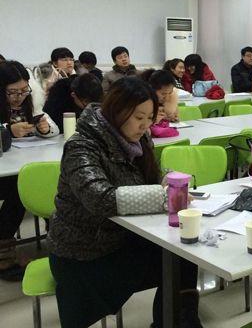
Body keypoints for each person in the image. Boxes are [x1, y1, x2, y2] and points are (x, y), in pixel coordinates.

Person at [47, 77, 204, 328]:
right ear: (116, 111)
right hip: (83, 255)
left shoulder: (138, 139)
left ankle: (178, 322)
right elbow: (100, 198)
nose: (146, 125)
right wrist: (161, 195)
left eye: (150, 117)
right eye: (138, 117)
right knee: (176, 257)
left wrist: (166, 180)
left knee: (183, 252)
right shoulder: (81, 146)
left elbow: (149, 176)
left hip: (122, 238)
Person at [0, 60, 59, 281]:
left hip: (23, 165)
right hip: (5, 174)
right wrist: (8, 130)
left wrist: (45, 128)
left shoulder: (29, 103)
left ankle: (58, 239)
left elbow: (53, 128)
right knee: (20, 189)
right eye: (12, 92)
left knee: (51, 180)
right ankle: (3, 252)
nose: (19, 97)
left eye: (24, 90)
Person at [141, 69, 180, 137]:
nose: (166, 98)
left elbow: (173, 116)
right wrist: (151, 120)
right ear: (151, 88)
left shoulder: (168, 101)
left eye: (169, 93)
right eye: (163, 94)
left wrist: (170, 117)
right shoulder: (141, 103)